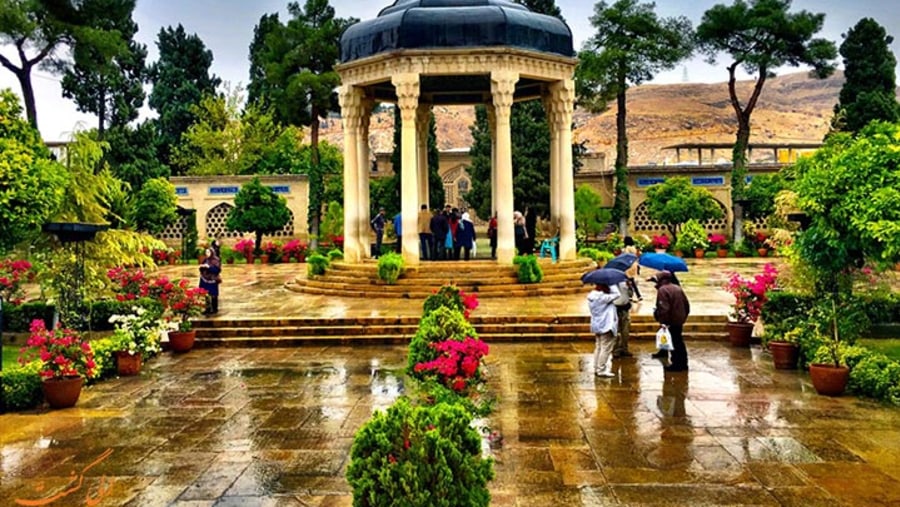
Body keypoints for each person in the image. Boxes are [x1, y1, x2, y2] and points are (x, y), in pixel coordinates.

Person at [649, 270, 691, 372]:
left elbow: (664, 308)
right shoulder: (677, 288)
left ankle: (676, 364)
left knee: (674, 342)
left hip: (671, 320)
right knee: (679, 341)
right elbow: (686, 305)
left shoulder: (663, 290)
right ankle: (683, 363)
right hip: (679, 319)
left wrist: (663, 321)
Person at [588, 283, 620, 378]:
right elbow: (617, 294)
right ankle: (601, 369)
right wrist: (612, 283)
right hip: (606, 324)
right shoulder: (603, 298)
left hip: (597, 324)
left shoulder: (592, 297)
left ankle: (596, 367)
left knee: (598, 347)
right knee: (605, 348)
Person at [612, 280, 633, 358]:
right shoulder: (611, 283)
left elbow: (630, 294)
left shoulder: (626, 282)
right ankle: (616, 350)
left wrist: (630, 287)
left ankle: (625, 349)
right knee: (616, 331)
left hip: (625, 309)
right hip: (615, 309)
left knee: (625, 331)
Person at [199, 247, 221, 315]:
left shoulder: (216, 260)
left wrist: (209, 267)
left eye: (208, 252)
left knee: (213, 295)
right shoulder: (205, 260)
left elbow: (217, 270)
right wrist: (202, 267)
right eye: (206, 252)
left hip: (212, 280)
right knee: (206, 295)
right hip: (205, 279)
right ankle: (207, 309)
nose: (207, 254)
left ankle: (214, 309)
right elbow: (201, 269)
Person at [623, 236, 642, 301]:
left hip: (629, 265)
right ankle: (634, 295)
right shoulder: (634, 248)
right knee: (631, 280)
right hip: (634, 264)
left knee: (629, 280)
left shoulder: (627, 248)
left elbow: (626, 256)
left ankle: (636, 295)